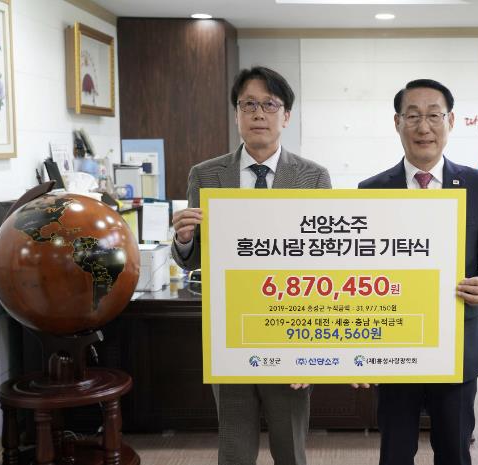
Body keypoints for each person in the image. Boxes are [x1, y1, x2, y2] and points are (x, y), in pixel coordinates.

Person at [171, 66, 332, 465]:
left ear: (286, 116)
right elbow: (194, 257)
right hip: (230, 330)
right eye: (249, 105)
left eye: (269, 105)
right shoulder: (205, 175)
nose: (259, 113)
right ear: (237, 114)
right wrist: (184, 239)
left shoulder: (313, 177)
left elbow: (326, 261)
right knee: (234, 448)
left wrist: (315, 347)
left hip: (292, 330)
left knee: (290, 448)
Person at [358, 79, 478, 465]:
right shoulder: (372, 190)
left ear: (450, 121)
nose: (423, 127)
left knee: (454, 451)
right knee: (395, 453)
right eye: (412, 116)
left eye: (433, 115)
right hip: (393, 344)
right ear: (397, 123)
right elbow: (358, 268)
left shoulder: (477, 184)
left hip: (457, 344)